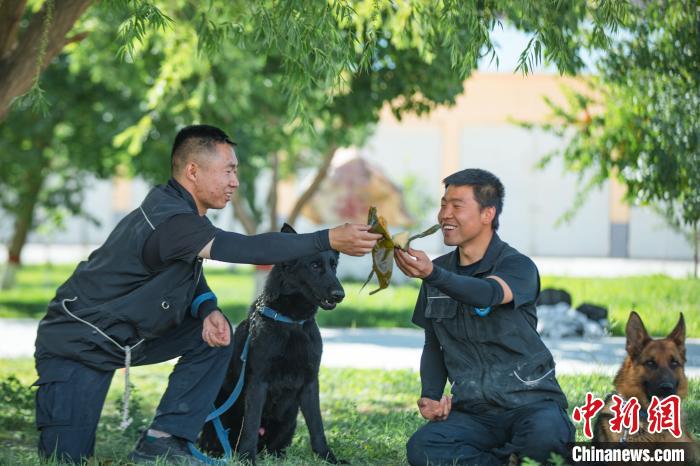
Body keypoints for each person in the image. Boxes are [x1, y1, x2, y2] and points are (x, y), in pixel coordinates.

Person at [32, 124, 382, 464]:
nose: (235, 181)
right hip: (79, 345)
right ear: (193, 170)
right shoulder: (172, 220)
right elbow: (246, 248)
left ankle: (165, 441)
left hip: (127, 337)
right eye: (228, 170)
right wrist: (327, 239)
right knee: (66, 459)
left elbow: (187, 274)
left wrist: (207, 308)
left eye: (236, 171)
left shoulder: (179, 211)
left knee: (216, 336)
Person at [395, 168, 574, 465]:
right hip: (474, 413)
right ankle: (505, 460)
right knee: (423, 448)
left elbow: (487, 294)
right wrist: (431, 395)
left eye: (456, 206)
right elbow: (433, 344)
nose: (445, 215)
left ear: (487, 214)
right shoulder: (437, 275)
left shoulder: (518, 266)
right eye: (443, 205)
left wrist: (433, 274)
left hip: (531, 403)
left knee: (548, 443)